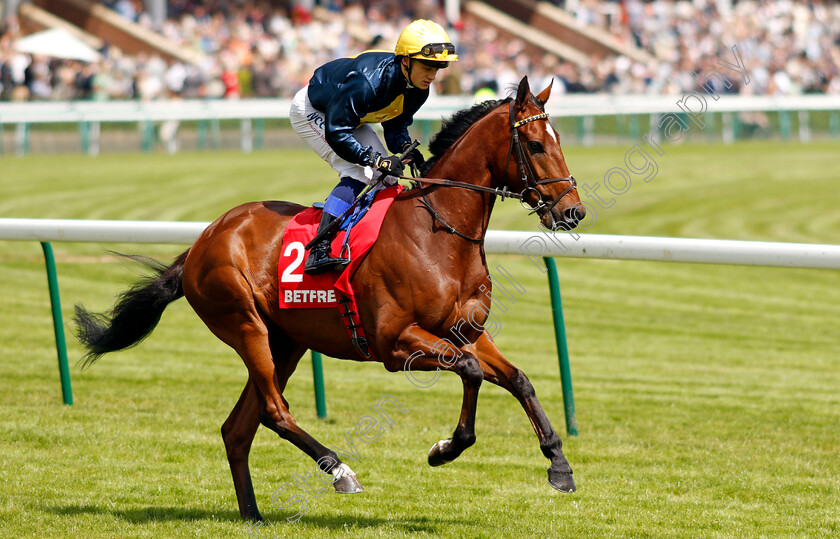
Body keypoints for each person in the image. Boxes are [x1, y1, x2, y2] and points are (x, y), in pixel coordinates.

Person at [289, 19, 458, 274]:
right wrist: (376, 160)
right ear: (405, 60)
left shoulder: (419, 88)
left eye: (438, 67)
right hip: (314, 111)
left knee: (389, 180)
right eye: (427, 66)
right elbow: (336, 132)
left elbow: (394, 127)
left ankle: (370, 247)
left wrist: (404, 147)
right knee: (359, 172)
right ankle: (319, 248)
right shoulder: (367, 82)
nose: (432, 75)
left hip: (348, 118)